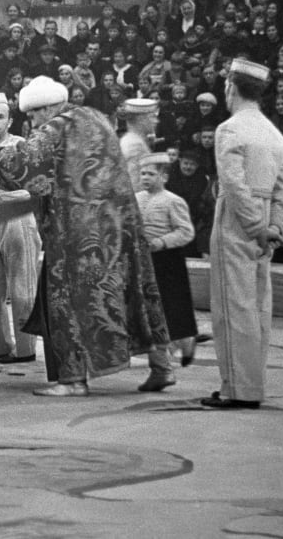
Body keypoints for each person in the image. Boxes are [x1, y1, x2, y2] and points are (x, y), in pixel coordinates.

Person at [0, 76, 167, 397]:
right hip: (121, 226)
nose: (31, 122)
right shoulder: (96, 118)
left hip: (80, 235)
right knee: (136, 294)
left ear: (47, 108)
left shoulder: (55, 128)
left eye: (33, 115)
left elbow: (23, 163)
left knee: (65, 303)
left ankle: (72, 380)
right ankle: (162, 364)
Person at [202, 59, 283, 410]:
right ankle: (252, 385)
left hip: (237, 222)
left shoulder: (230, 130)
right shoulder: (273, 133)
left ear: (231, 88)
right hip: (267, 217)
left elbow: (234, 186)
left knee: (232, 306)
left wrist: (255, 228)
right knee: (258, 306)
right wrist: (274, 228)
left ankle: (237, 389)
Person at [0, 93, 41, 363]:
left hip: (19, 221)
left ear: (10, 121)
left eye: (0, 117)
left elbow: (33, 191)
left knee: (22, 286)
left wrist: (0, 196)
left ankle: (26, 350)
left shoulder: (22, 147)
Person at [119, 98, 176, 391]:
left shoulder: (134, 143)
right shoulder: (134, 147)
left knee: (145, 300)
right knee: (143, 299)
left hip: (134, 231)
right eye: (152, 116)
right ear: (138, 118)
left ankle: (161, 365)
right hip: (134, 232)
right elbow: (134, 193)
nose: (156, 120)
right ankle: (161, 364)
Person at [136, 153, 198, 369]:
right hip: (144, 259)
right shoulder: (137, 198)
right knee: (150, 305)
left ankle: (183, 340)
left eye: (151, 174)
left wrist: (162, 242)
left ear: (164, 176)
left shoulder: (173, 201)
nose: (145, 178)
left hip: (168, 260)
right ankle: (164, 344)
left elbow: (186, 231)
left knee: (172, 304)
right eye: (142, 173)